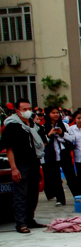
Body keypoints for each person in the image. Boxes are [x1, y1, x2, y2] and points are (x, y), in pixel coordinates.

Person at [1, 99, 45, 233]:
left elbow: (42, 142)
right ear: (18, 111)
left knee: (33, 194)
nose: (28, 111)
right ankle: (20, 223)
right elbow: (9, 149)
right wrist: (14, 168)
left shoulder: (33, 125)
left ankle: (29, 219)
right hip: (21, 164)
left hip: (34, 163)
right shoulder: (12, 127)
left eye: (29, 108)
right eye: (25, 109)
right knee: (21, 194)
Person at [41, 107, 72, 206]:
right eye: (53, 112)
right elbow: (42, 142)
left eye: (57, 112)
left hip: (63, 153)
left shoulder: (64, 125)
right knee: (55, 178)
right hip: (51, 155)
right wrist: (49, 134)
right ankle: (60, 199)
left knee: (70, 176)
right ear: (48, 114)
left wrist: (61, 133)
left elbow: (71, 139)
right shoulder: (43, 127)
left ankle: (78, 195)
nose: (56, 114)